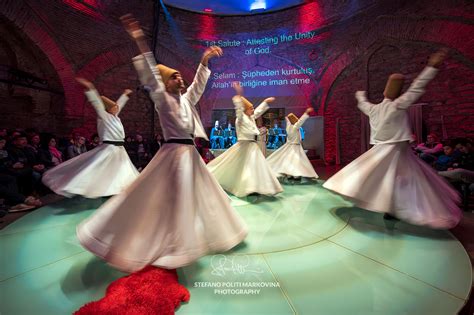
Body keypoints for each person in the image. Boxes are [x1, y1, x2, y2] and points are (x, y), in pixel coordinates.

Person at [76, 14, 247, 273]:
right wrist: (139, 40)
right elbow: (151, 76)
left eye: (180, 77)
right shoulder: (162, 99)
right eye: (175, 77)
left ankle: (207, 233)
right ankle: (173, 242)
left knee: (204, 193)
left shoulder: (187, 100)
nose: (181, 79)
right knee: (173, 195)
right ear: (166, 83)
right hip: (173, 153)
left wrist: (204, 60)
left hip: (189, 153)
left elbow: (199, 84)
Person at [323, 49, 461, 229]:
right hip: (393, 151)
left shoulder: (374, 108)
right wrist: (431, 67)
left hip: (389, 150)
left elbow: (363, 103)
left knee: (390, 180)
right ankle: (392, 208)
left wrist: (360, 95)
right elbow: (416, 87)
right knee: (399, 181)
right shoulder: (396, 105)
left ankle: (389, 207)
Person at [41, 79, 139, 198]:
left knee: (120, 169)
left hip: (119, 149)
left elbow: (119, 104)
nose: (117, 108)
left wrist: (125, 95)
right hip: (109, 148)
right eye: (114, 107)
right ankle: (86, 187)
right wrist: (90, 89)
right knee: (97, 169)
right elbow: (96, 103)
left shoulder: (115, 117)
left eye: (116, 107)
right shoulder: (103, 116)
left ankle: (116, 189)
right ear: (108, 109)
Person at [207, 82, 283, 197]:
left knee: (255, 166)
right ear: (245, 110)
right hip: (244, 145)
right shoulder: (241, 118)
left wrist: (266, 102)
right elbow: (239, 110)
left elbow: (258, 112)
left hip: (252, 145)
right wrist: (239, 94)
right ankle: (249, 187)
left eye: (252, 108)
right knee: (245, 167)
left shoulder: (250, 117)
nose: (253, 110)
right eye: (250, 108)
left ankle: (256, 186)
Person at [267, 107, 319, 181]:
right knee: (296, 161)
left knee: (290, 161)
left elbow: (289, 122)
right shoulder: (295, 127)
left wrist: (287, 118)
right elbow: (300, 121)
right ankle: (295, 174)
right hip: (295, 147)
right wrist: (306, 113)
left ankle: (290, 174)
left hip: (290, 146)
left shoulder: (288, 127)